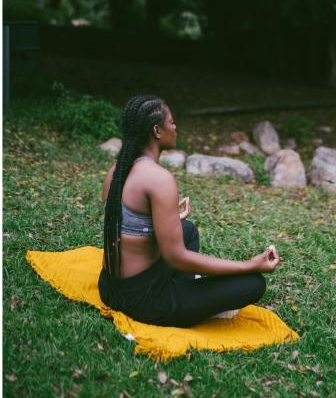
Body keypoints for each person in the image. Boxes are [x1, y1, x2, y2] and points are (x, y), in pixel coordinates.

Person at [98, 94, 280, 327]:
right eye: (172, 122)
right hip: (144, 302)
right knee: (254, 284)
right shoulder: (159, 179)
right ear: (157, 131)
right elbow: (177, 259)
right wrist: (250, 265)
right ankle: (187, 303)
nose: (176, 128)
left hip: (110, 287)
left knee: (187, 230)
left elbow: (123, 225)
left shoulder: (118, 169)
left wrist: (169, 218)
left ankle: (187, 295)